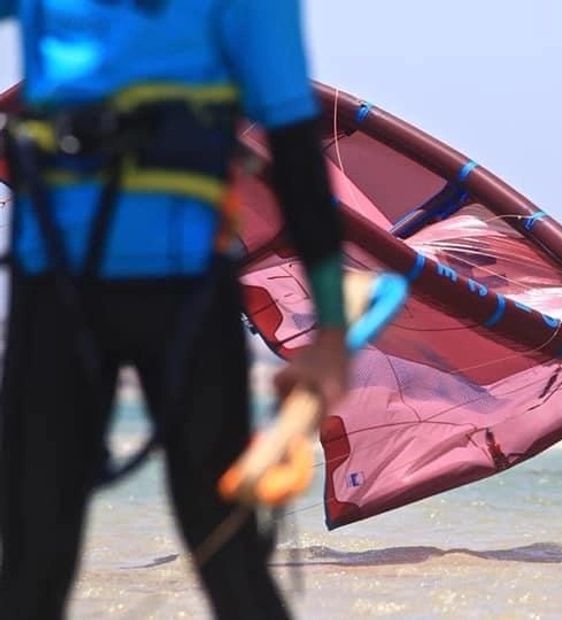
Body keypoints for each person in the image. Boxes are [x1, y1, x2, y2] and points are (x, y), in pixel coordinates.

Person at [0, 1, 353, 617]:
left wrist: (330, 333)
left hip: (186, 295)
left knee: (227, 553)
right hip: (53, 290)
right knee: (32, 563)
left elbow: (295, 147)